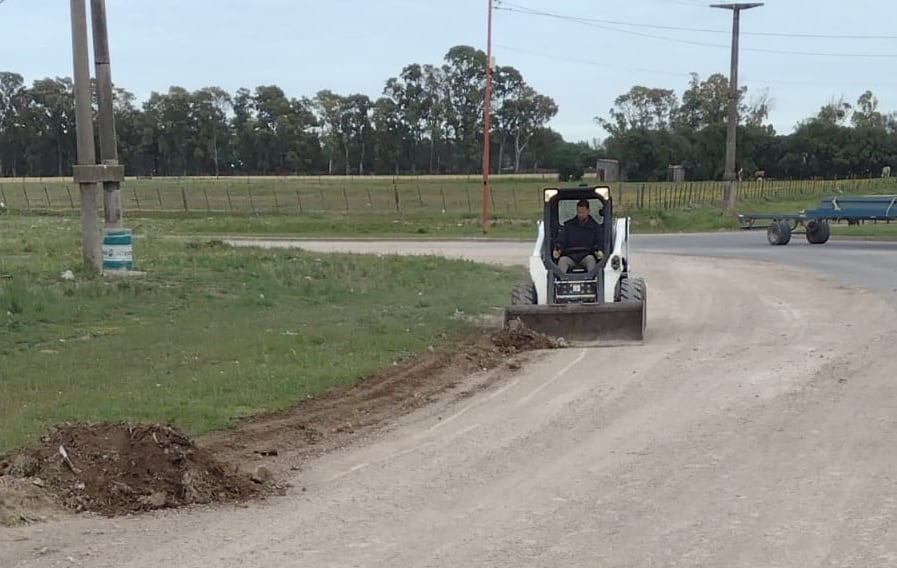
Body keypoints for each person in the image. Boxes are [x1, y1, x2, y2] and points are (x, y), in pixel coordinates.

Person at [552, 198, 605, 272]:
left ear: (588, 211)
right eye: (579, 212)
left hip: (587, 256)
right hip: (570, 256)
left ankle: (593, 281)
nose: (580, 215)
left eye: (582, 212)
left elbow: (599, 241)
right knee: (562, 261)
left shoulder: (595, 227)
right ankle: (560, 281)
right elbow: (561, 240)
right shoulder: (568, 226)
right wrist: (558, 248)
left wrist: (598, 249)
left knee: (591, 260)